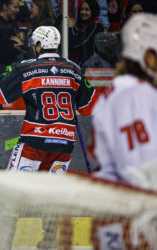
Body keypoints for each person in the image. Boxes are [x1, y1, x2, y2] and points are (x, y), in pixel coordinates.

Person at [0, 26, 98, 248]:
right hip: (64, 145)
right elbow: (88, 107)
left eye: (33, 44)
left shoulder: (27, 68)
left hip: (34, 143)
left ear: (38, 45)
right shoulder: (74, 69)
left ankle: (4, 244)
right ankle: (49, 243)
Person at [90, 13, 157, 249]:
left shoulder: (130, 89)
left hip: (121, 213)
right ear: (148, 57)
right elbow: (139, 167)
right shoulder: (132, 93)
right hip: (130, 217)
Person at [68, 0, 104, 67]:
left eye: (87, 10)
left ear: (93, 11)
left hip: (91, 68)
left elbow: (77, 43)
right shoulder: (82, 26)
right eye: (81, 9)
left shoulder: (96, 26)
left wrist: (70, 28)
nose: (83, 12)